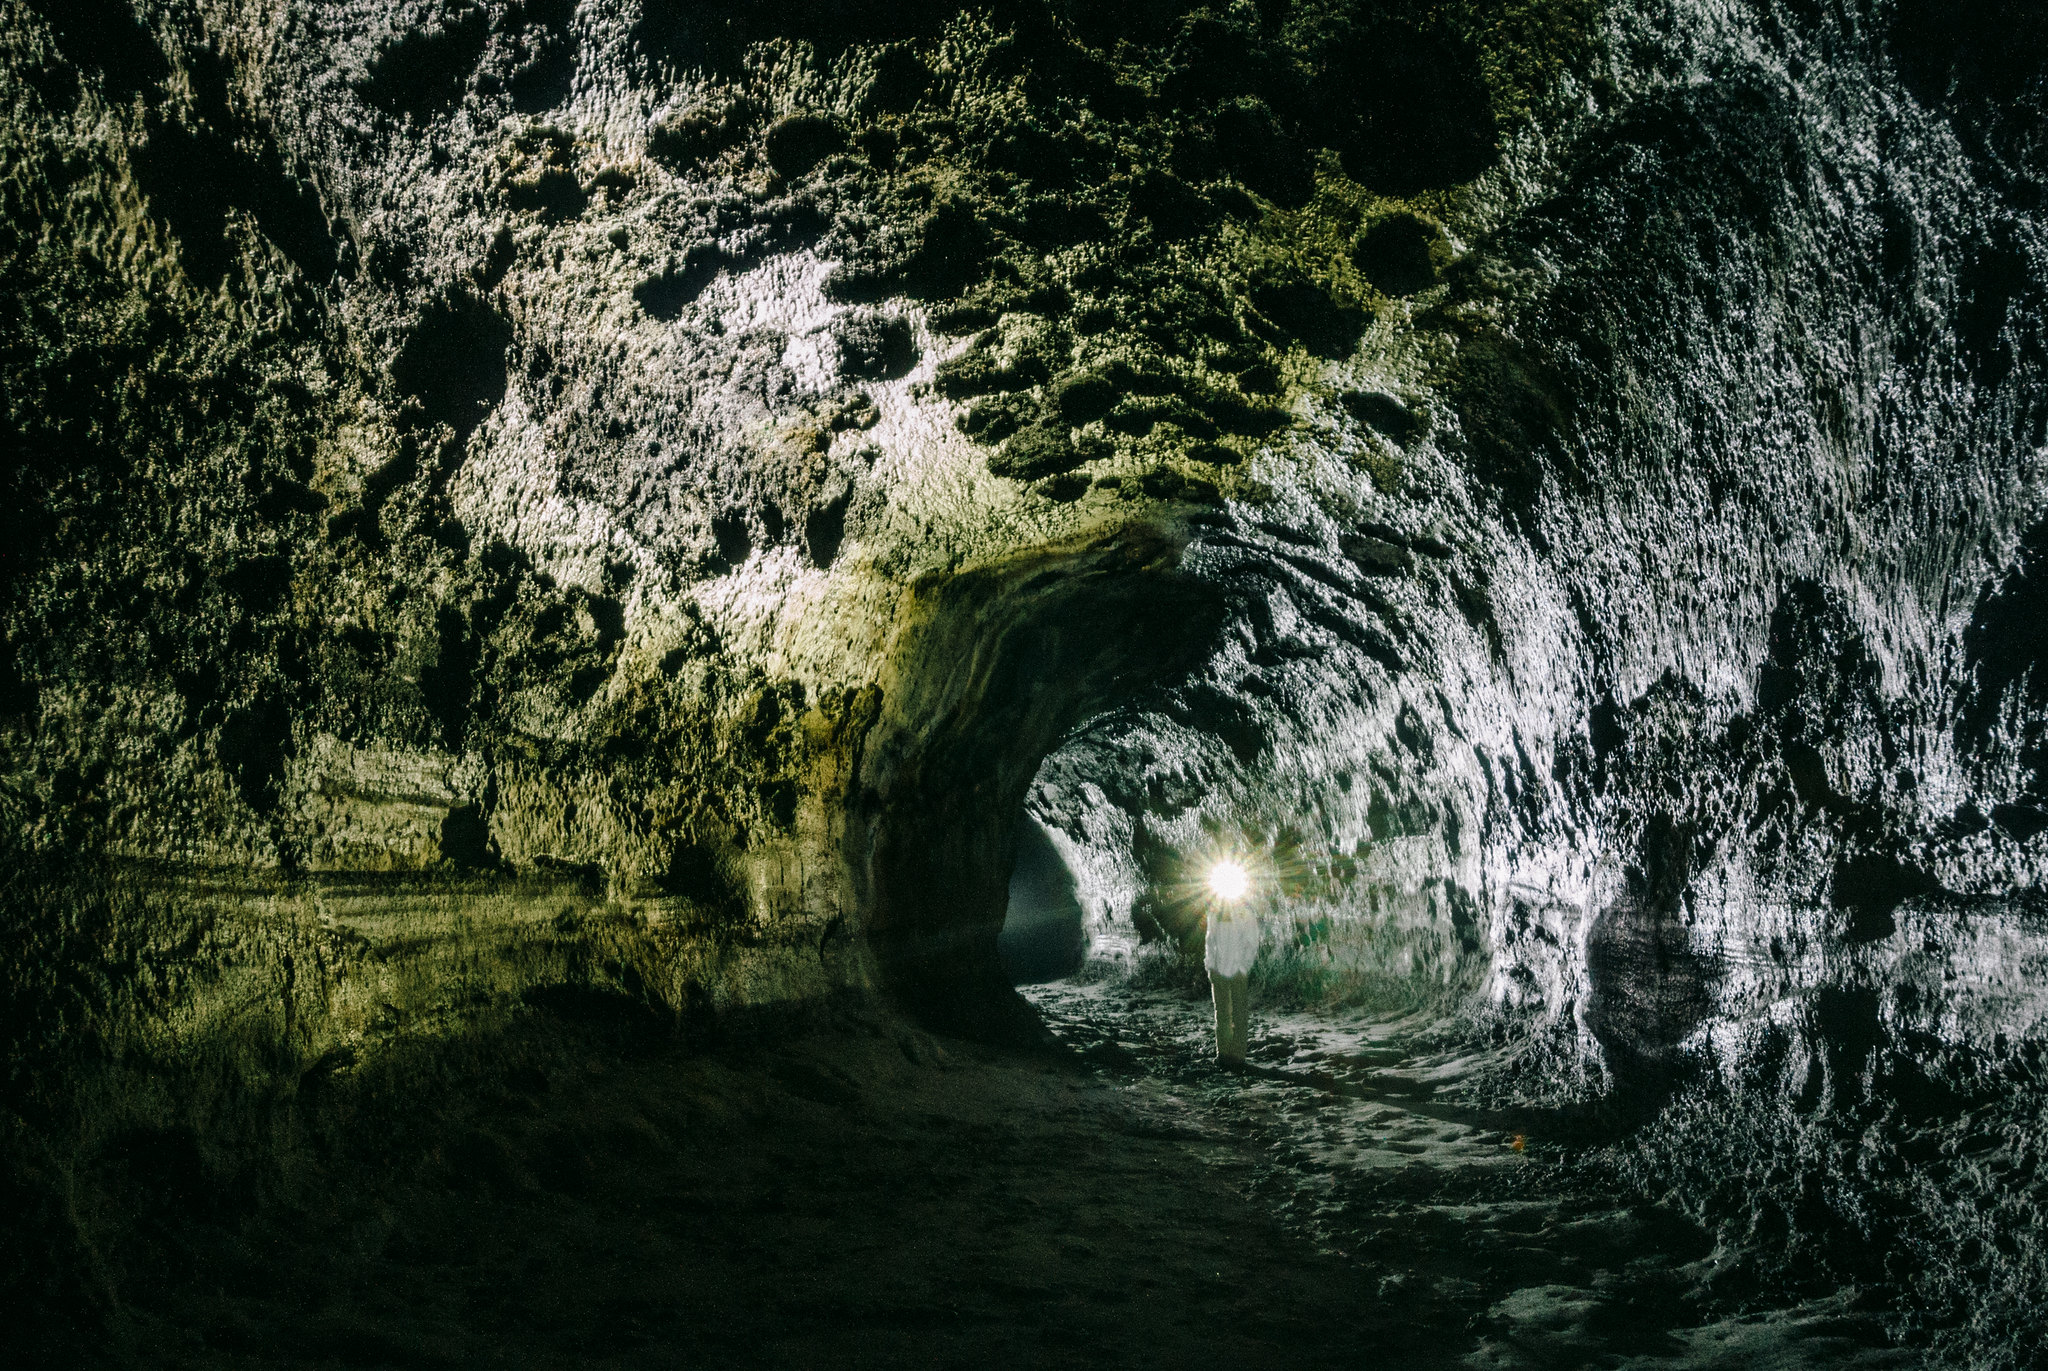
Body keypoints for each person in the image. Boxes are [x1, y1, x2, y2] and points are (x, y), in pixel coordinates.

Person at [1204, 897, 1260, 1068]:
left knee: (1239, 1014)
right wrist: (1210, 966)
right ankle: (1223, 1054)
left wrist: (1243, 968)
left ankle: (1237, 1056)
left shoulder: (1246, 914)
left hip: (1237, 972)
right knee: (1221, 1014)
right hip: (1218, 971)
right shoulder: (1215, 914)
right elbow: (1209, 941)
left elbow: (1252, 943)